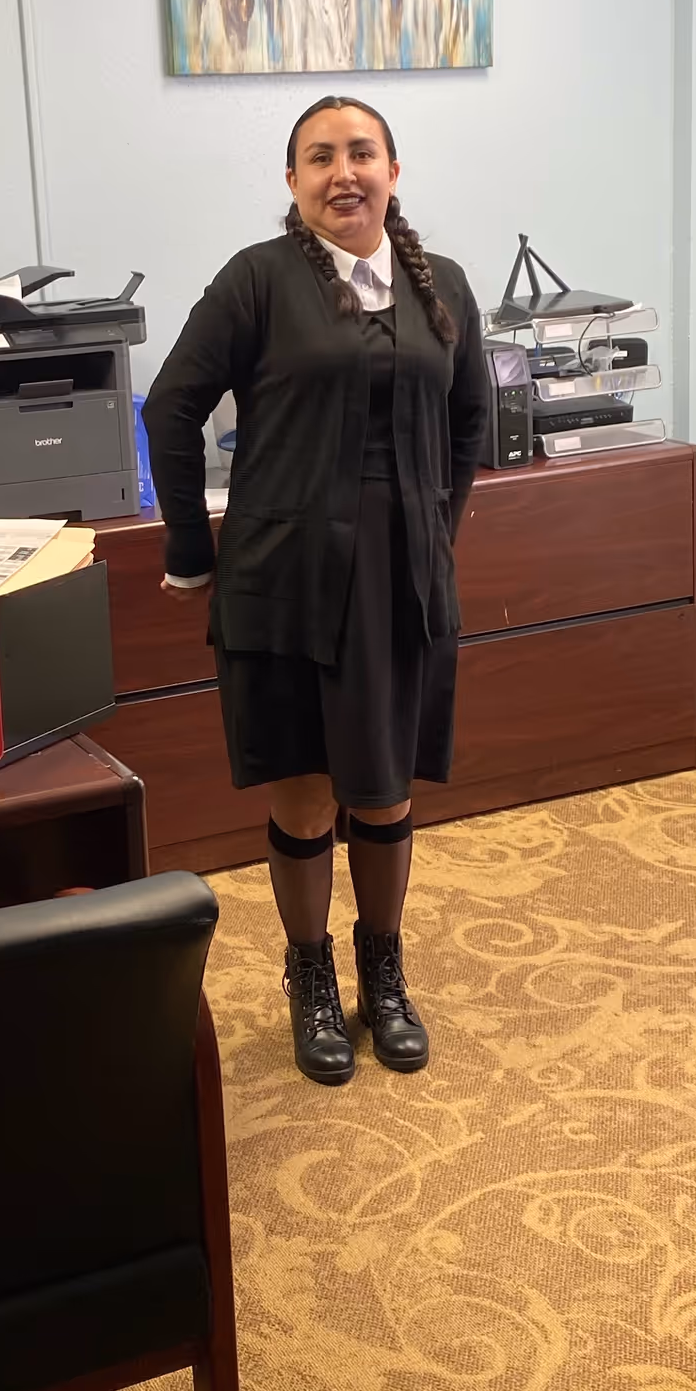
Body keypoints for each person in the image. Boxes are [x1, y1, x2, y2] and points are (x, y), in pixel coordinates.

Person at [141, 96, 489, 1085]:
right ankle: (310, 976)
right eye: (319, 157)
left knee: (383, 791)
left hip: (400, 583)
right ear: (293, 183)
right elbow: (172, 408)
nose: (345, 171)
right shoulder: (258, 280)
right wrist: (187, 551)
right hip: (286, 580)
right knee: (304, 794)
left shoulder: (442, 286)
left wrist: (436, 530)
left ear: (393, 169)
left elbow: (471, 425)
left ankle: (384, 970)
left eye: (362, 152)